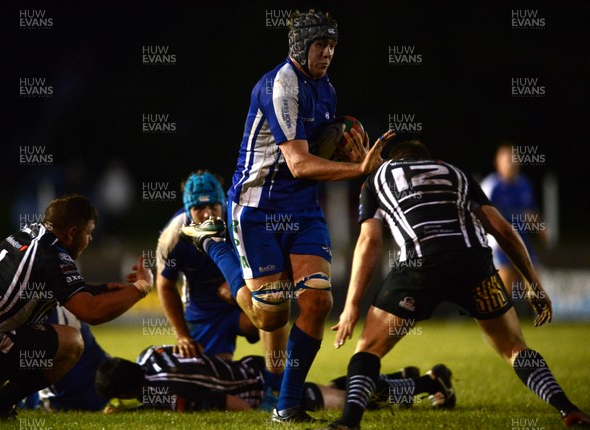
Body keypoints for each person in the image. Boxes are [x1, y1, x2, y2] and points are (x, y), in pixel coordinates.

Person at [322, 140, 590, 429]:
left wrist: (351, 306)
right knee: (514, 348)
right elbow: (502, 229)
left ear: (397, 159)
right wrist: (534, 284)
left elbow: (369, 241)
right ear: (429, 160)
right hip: (474, 265)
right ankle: (568, 409)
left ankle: (349, 422)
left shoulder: (377, 178)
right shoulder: (456, 173)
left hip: (420, 266)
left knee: (367, 350)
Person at [221, 9, 395, 423]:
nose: (328, 52)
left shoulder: (327, 90)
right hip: (257, 210)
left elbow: (319, 152)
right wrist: (358, 169)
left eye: (333, 45)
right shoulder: (281, 86)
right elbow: (299, 164)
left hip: (302, 209)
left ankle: (287, 404)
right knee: (271, 314)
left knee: (317, 301)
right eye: (321, 44)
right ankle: (216, 249)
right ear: (300, 46)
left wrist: (347, 148)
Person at [0, 194, 153, 420]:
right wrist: (141, 288)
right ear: (72, 233)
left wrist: (99, 289)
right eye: (89, 232)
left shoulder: (28, 234)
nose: (91, 239)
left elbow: (53, 285)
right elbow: (92, 313)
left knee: (15, 330)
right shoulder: (53, 255)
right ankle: (1, 406)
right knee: (72, 342)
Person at [94, 344, 449, 414]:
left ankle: (430, 384)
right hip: (249, 368)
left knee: (345, 401)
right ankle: (402, 377)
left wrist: (265, 414)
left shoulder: (168, 386)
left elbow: (227, 402)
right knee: (328, 390)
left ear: (131, 390)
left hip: (258, 387)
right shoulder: (149, 356)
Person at [156, 171, 258, 360]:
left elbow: (268, 266)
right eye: (199, 208)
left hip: (243, 296)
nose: (208, 214)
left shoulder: (240, 223)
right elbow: (165, 286)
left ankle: (275, 381)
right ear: (188, 209)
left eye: (213, 206)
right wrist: (182, 336)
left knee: (270, 315)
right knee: (213, 370)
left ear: (223, 204)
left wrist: (239, 284)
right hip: (205, 309)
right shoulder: (173, 236)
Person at [481, 143, 547, 303]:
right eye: (507, 160)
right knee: (504, 284)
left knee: (535, 282)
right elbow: (479, 213)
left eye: (514, 159)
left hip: (522, 240)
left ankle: (540, 319)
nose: (511, 163)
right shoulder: (491, 186)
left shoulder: (524, 184)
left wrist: (541, 229)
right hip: (500, 242)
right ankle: (500, 322)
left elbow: (530, 211)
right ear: (498, 163)